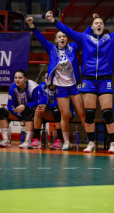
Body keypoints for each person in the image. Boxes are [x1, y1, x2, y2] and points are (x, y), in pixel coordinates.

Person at [45, 6, 114, 154]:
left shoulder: (110, 38)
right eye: (96, 23)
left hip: (104, 79)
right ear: (92, 26)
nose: (99, 25)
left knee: (108, 113)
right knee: (90, 114)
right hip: (89, 80)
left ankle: (113, 144)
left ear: (103, 27)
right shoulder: (84, 38)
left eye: (101, 23)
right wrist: (53, 21)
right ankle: (91, 142)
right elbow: (68, 31)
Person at [28, 15, 86, 149]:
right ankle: (66, 142)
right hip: (61, 86)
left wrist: (92, 27)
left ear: (67, 38)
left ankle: (90, 140)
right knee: (63, 115)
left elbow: (84, 37)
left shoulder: (73, 48)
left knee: (82, 113)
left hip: (74, 85)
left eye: (64, 36)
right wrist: (32, 26)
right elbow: (41, 38)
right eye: (59, 37)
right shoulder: (51, 49)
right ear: (55, 40)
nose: (62, 38)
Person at [29, 73, 75, 150]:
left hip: (66, 111)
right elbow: (41, 99)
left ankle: (60, 141)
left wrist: (46, 106)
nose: (48, 80)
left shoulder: (61, 87)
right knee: (38, 110)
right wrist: (42, 106)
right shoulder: (42, 86)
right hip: (51, 111)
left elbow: (59, 104)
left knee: (58, 110)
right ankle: (36, 140)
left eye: (51, 78)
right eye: (46, 78)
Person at [0, 70, 41, 148]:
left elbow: (37, 102)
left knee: (28, 111)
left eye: (20, 78)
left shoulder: (34, 87)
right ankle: (6, 140)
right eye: (15, 78)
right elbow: (10, 105)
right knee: (2, 111)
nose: (17, 80)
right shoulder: (13, 87)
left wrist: (25, 106)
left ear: (25, 79)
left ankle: (28, 141)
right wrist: (20, 115)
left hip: (32, 112)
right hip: (19, 112)